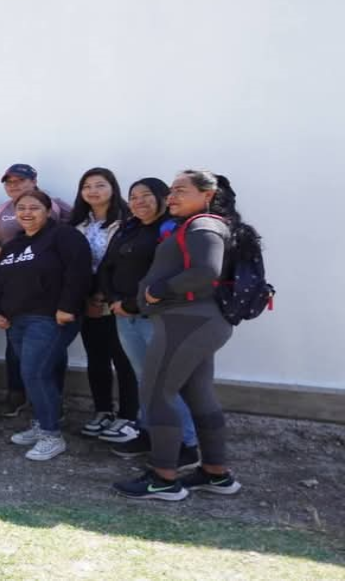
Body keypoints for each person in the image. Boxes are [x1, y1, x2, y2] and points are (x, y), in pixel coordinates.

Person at [113, 170, 249, 501]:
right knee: (199, 395)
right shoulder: (200, 224)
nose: (171, 196)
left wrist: (158, 290)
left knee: (157, 394)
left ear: (207, 194)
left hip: (187, 322)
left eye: (180, 190)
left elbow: (206, 271)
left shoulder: (203, 224)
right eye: (171, 191)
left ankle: (163, 479)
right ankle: (216, 474)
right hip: (196, 323)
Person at [98, 178, 201, 468]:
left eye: (146, 196)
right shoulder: (128, 228)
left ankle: (187, 444)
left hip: (155, 316)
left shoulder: (172, 230)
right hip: (123, 315)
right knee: (145, 379)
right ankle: (148, 431)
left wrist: (132, 303)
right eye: (133, 197)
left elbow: (169, 275)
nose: (138, 202)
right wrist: (114, 299)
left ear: (162, 197)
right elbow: (107, 266)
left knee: (165, 381)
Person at [0, 190, 90, 461]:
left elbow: (78, 271)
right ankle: (43, 422)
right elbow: (0, 281)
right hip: (17, 320)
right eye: (21, 207)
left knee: (34, 372)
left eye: (34, 207)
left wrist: (67, 307)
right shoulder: (13, 245)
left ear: (49, 211)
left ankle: (51, 435)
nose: (27, 212)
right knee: (35, 374)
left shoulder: (64, 236)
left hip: (49, 318)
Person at [0, 163, 73, 417]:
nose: (14, 185)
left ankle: (53, 404)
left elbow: (73, 241)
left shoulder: (58, 206)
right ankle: (18, 395)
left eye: (20, 180)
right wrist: (19, 255)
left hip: (49, 297)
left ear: (34, 180)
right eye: (9, 181)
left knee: (50, 352)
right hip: (14, 292)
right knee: (15, 349)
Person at [69, 168, 139, 441]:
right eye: (87, 186)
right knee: (96, 357)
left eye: (100, 185)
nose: (93, 191)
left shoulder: (127, 223)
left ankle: (128, 415)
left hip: (117, 301)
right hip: (86, 301)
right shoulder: (78, 225)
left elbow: (125, 266)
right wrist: (87, 297)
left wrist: (103, 294)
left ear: (113, 188)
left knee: (123, 360)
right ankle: (103, 411)